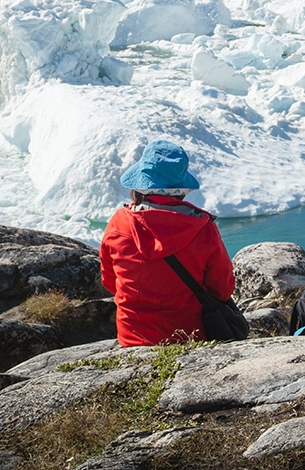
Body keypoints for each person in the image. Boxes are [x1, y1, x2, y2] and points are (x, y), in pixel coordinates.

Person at [100, 140, 236, 346]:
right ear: (182, 188)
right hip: (190, 337)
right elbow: (222, 289)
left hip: (132, 338)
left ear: (141, 187)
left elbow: (110, 282)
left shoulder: (119, 223)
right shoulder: (203, 228)